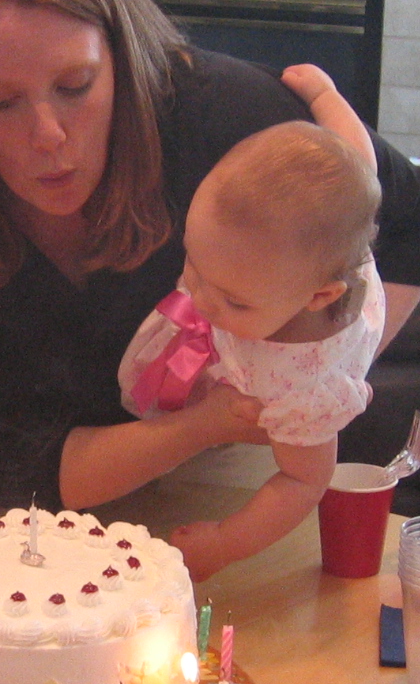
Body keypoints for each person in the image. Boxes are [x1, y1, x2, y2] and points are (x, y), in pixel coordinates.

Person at [0, 0, 420, 516]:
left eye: (76, 85)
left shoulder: (222, 115)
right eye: (2, 102)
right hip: (41, 519)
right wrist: (199, 426)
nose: (49, 135)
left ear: (122, 59)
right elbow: (17, 472)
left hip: (232, 487)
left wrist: (312, 372)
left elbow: (411, 219)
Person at [116, 122, 381, 580]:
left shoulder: (297, 387)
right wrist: (323, 92)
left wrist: (224, 543)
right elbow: (359, 152)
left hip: (280, 367)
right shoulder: (274, 267)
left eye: (234, 300)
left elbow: (304, 482)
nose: (198, 300)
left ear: (318, 297)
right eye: (194, 266)